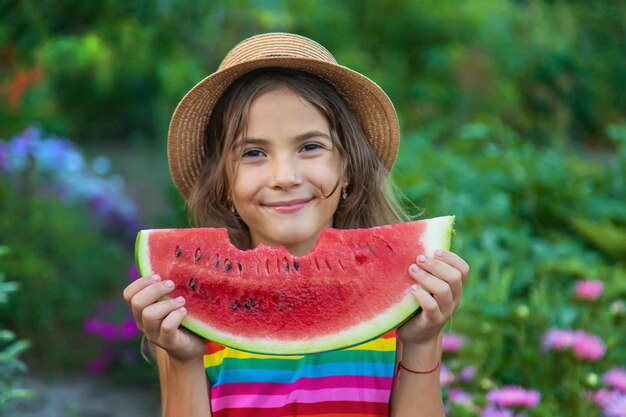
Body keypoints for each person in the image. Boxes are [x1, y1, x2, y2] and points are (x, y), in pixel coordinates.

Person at [123, 32, 469, 417]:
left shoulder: (403, 306)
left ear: (349, 168)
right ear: (224, 186)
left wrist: (422, 342)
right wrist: (185, 361)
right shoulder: (190, 314)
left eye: (310, 147)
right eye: (253, 153)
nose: (284, 176)